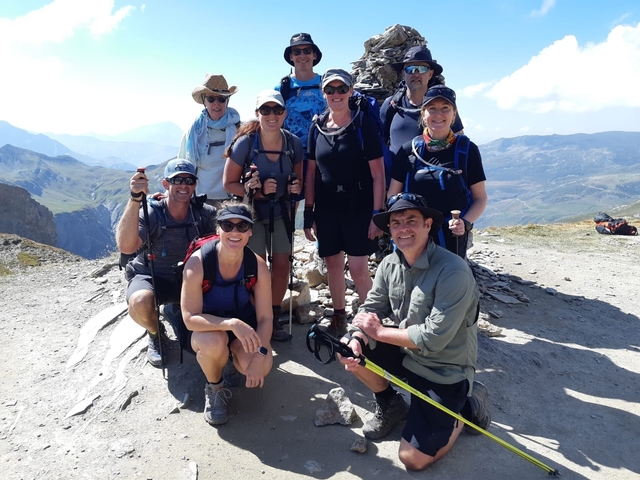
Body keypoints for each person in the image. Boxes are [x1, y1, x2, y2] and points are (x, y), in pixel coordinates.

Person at [338, 193, 490, 471]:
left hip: (444, 369)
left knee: (412, 459)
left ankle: (465, 408)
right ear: (390, 229)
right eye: (396, 223)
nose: (403, 228)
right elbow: (371, 307)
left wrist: (379, 332)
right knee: (347, 349)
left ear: (428, 224)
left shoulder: (453, 270)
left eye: (411, 221)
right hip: (407, 354)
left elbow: (434, 337)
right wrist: (358, 336)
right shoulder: (389, 263)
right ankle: (391, 404)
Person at [304, 68, 385, 337]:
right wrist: (309, 212)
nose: (336, 94)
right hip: (327, 208)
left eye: (341, 89)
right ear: (323, 93)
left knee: (360, 268)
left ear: (351, 91)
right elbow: (311, 173)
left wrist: (377, 214)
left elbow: (378, 174)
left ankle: (373, 325)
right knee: (333, 265)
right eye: (330, 89)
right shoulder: (316, 127)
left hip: (358, 206)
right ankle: (339, 317)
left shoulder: (364, 125)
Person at [116, 159, 217, 367]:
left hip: (189, 279)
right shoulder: (152, 212)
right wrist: (135, 199)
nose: (184, 185)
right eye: (177, 179)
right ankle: (155, 333)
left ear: (195, 185)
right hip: (152, 275)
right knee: (140, 301)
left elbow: (227, 237)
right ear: (165, 184)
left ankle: (175, 310)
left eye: (189, 180)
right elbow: (126, 247)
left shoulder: (204, 213)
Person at [181, 201, 273, 425]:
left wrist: (260, 355)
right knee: (214, 341)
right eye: (227, 225)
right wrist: (232, 324)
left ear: (250, 231)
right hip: (206, 328)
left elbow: (265, 317)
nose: (235, 232)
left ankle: (231, 360)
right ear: (217, 229)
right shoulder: (197, 264)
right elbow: (190, 318)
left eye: (242, 226)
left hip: (243, 326)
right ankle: (215, 387)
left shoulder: (257, 265)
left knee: (266, 363)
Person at [222, 90, 303, 342]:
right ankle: (256, 317)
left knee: (281, 265)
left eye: (277, 110)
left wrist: (295, 190)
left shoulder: (293, 144)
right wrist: (254, 193)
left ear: (284, 114)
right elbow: (229, 183)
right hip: (251, 216)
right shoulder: (246, 143)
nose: (271, 115)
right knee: (256, 269)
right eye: (265, 110)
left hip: (281, 213)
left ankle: (273, 315)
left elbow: (299, 183)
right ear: (257, 114)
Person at [387, 85, 487, 258]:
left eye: (445, 108)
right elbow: (392, 195)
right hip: (413, 237)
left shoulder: (467, 150)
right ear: (423, 115)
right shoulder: (408, 151)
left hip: (451, 238)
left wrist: (465, 223)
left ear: (454, 115)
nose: (438, 114)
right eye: (432, 108)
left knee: (449, 283)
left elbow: (480, 198)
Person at [380, 46, 464, 163]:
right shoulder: (391, 105)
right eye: (410, 69)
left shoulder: (442, 108)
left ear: (430, 74)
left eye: (422, 69)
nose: (416, 74)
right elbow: (380, 143)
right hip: (395, 178)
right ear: (403, 74)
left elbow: (460, 141)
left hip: (431, 177)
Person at [178, 74, 241, 207]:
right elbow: (182, 165)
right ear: (204, 101)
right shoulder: (193, 131)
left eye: (222, 99)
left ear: (227, 101)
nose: (217, 103)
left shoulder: (239, 129)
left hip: (231, 200)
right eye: (211, 99)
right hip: (200, 201)